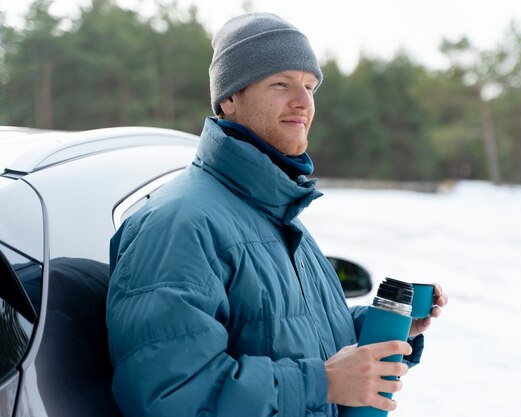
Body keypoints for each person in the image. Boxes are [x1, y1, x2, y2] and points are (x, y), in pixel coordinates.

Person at [106, 12, 447, 417]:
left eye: (309, 86)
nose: (303, 102)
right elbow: (171, 396)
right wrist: (326, 382)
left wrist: (383, 331)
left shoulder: (277, 215)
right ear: (228, 98)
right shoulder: (179, 225)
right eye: (281, 84)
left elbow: (293, 334)